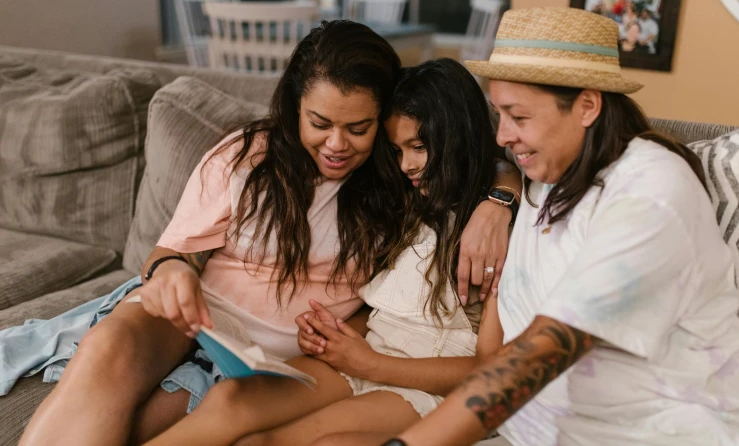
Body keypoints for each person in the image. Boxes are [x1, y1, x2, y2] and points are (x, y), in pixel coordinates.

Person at [15, 22, 515, 446]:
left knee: (150, 425)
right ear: (295, 105)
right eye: (320, 122)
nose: (337, 144)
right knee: (108, 349)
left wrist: (500, 200)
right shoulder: (247, 157)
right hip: (197, 321)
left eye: (359, 128)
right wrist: (170, 271)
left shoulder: (398, 181)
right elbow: (172, 253)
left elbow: (471, 156)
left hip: (269, 362)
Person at [359, 7, 739, 446]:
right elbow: (482, 161)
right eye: (499, 115)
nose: (502, 134)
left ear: (587, 106)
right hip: (539, 431)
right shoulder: (545, 174)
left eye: (518, 117)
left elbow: (548, 347)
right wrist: (500, 196)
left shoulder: (651, 192)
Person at [140, 59, 511, 446]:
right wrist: (332, 338)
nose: (407, 164)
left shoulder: (495, 236)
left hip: (428, 382)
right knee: (231, 401)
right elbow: (384, 312)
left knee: (278, 441)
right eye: (398, 149)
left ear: (458, 138)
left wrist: (369, 363)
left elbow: (493, 368)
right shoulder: (408, 202)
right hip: (367, 354)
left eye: (418, 147)